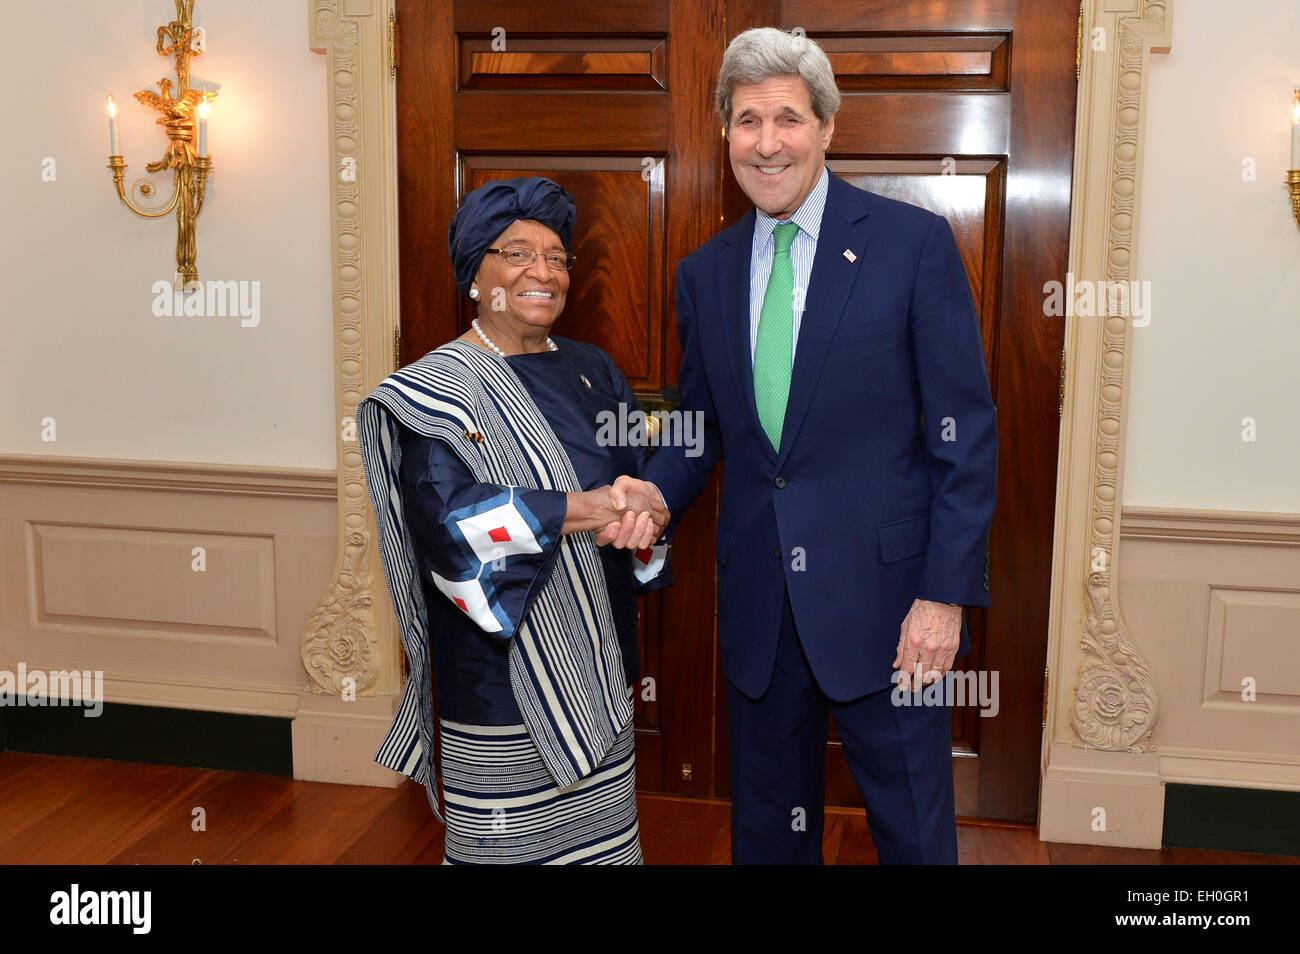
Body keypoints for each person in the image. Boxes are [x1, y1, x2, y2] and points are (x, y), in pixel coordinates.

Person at [605, 28, 998, 864]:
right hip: (760, 617)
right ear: (727, 136)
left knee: (916, 838)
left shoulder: (911, 245)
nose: (767, 142)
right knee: (768, 840)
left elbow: (964, 440)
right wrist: (658, 490)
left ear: (826, 127)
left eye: (787, 118)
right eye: (747, 121)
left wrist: (943, 598)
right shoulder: (703, 273)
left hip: (893, 613)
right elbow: (703, 422)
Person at [358, 176, 671, 864]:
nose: (543, 271)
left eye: (557, 258)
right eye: (518, 253)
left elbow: (632, 483)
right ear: (477, 274)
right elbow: (447, 526)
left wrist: (642, 519)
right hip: (499, 683)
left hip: (598, 660)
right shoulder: (437, 389)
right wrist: (577, 510)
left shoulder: (595, 371)